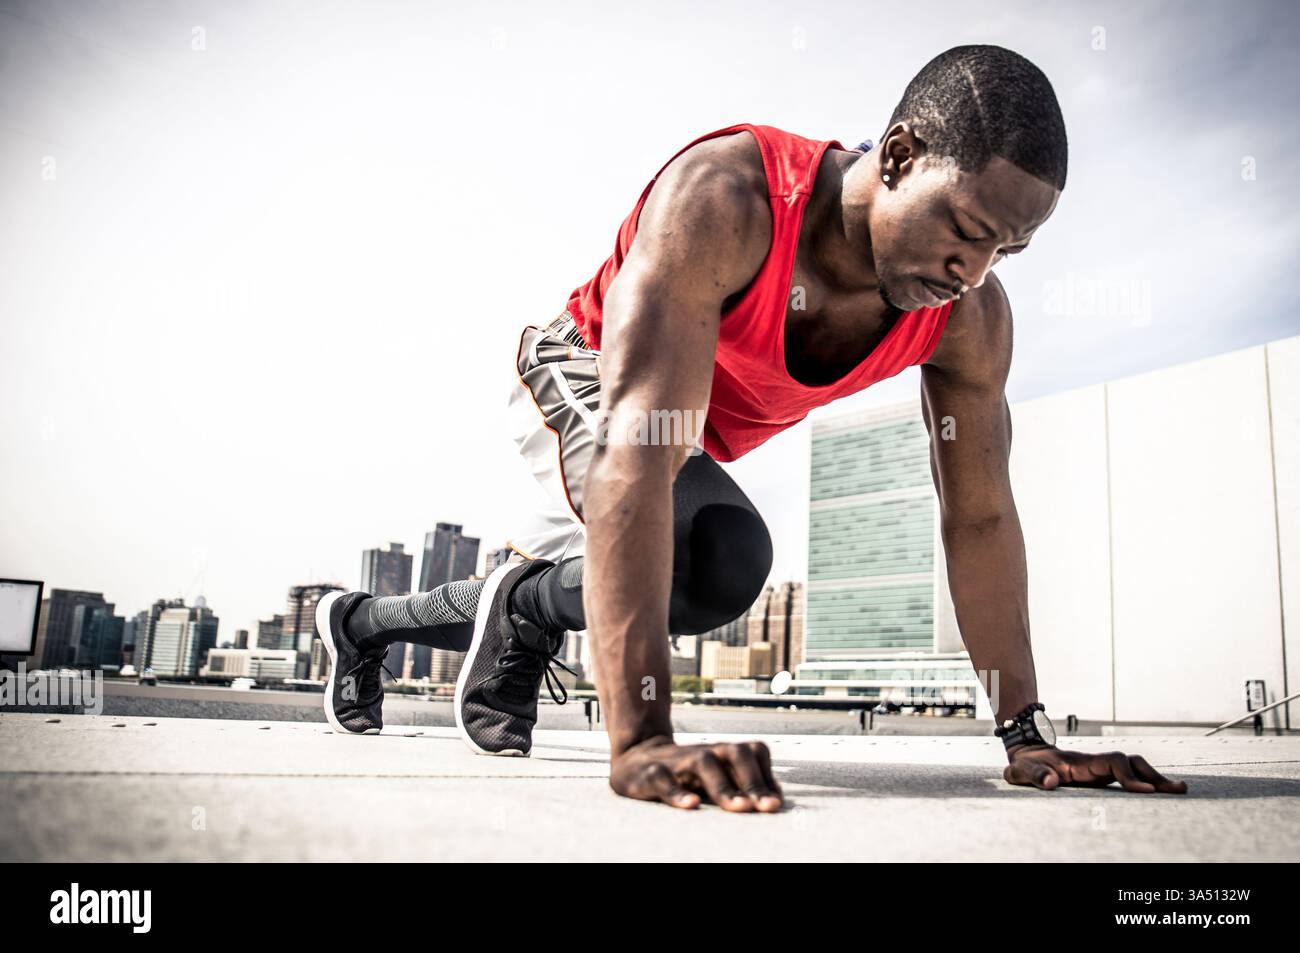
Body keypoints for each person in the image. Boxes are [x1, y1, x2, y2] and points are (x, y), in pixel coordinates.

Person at [315, 44, 1189, 811]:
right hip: (587, 376)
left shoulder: (969, 318)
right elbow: (638, 453)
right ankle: (522, 604)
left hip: (686, 444)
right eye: (964, 228)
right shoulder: (728, 199)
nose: (974, 270)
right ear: (897, 156)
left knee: (683, 565)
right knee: (722, 557)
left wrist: (1023, 733)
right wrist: (644, 737)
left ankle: (365, 625)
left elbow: (982, 516)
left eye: (1007, 249)